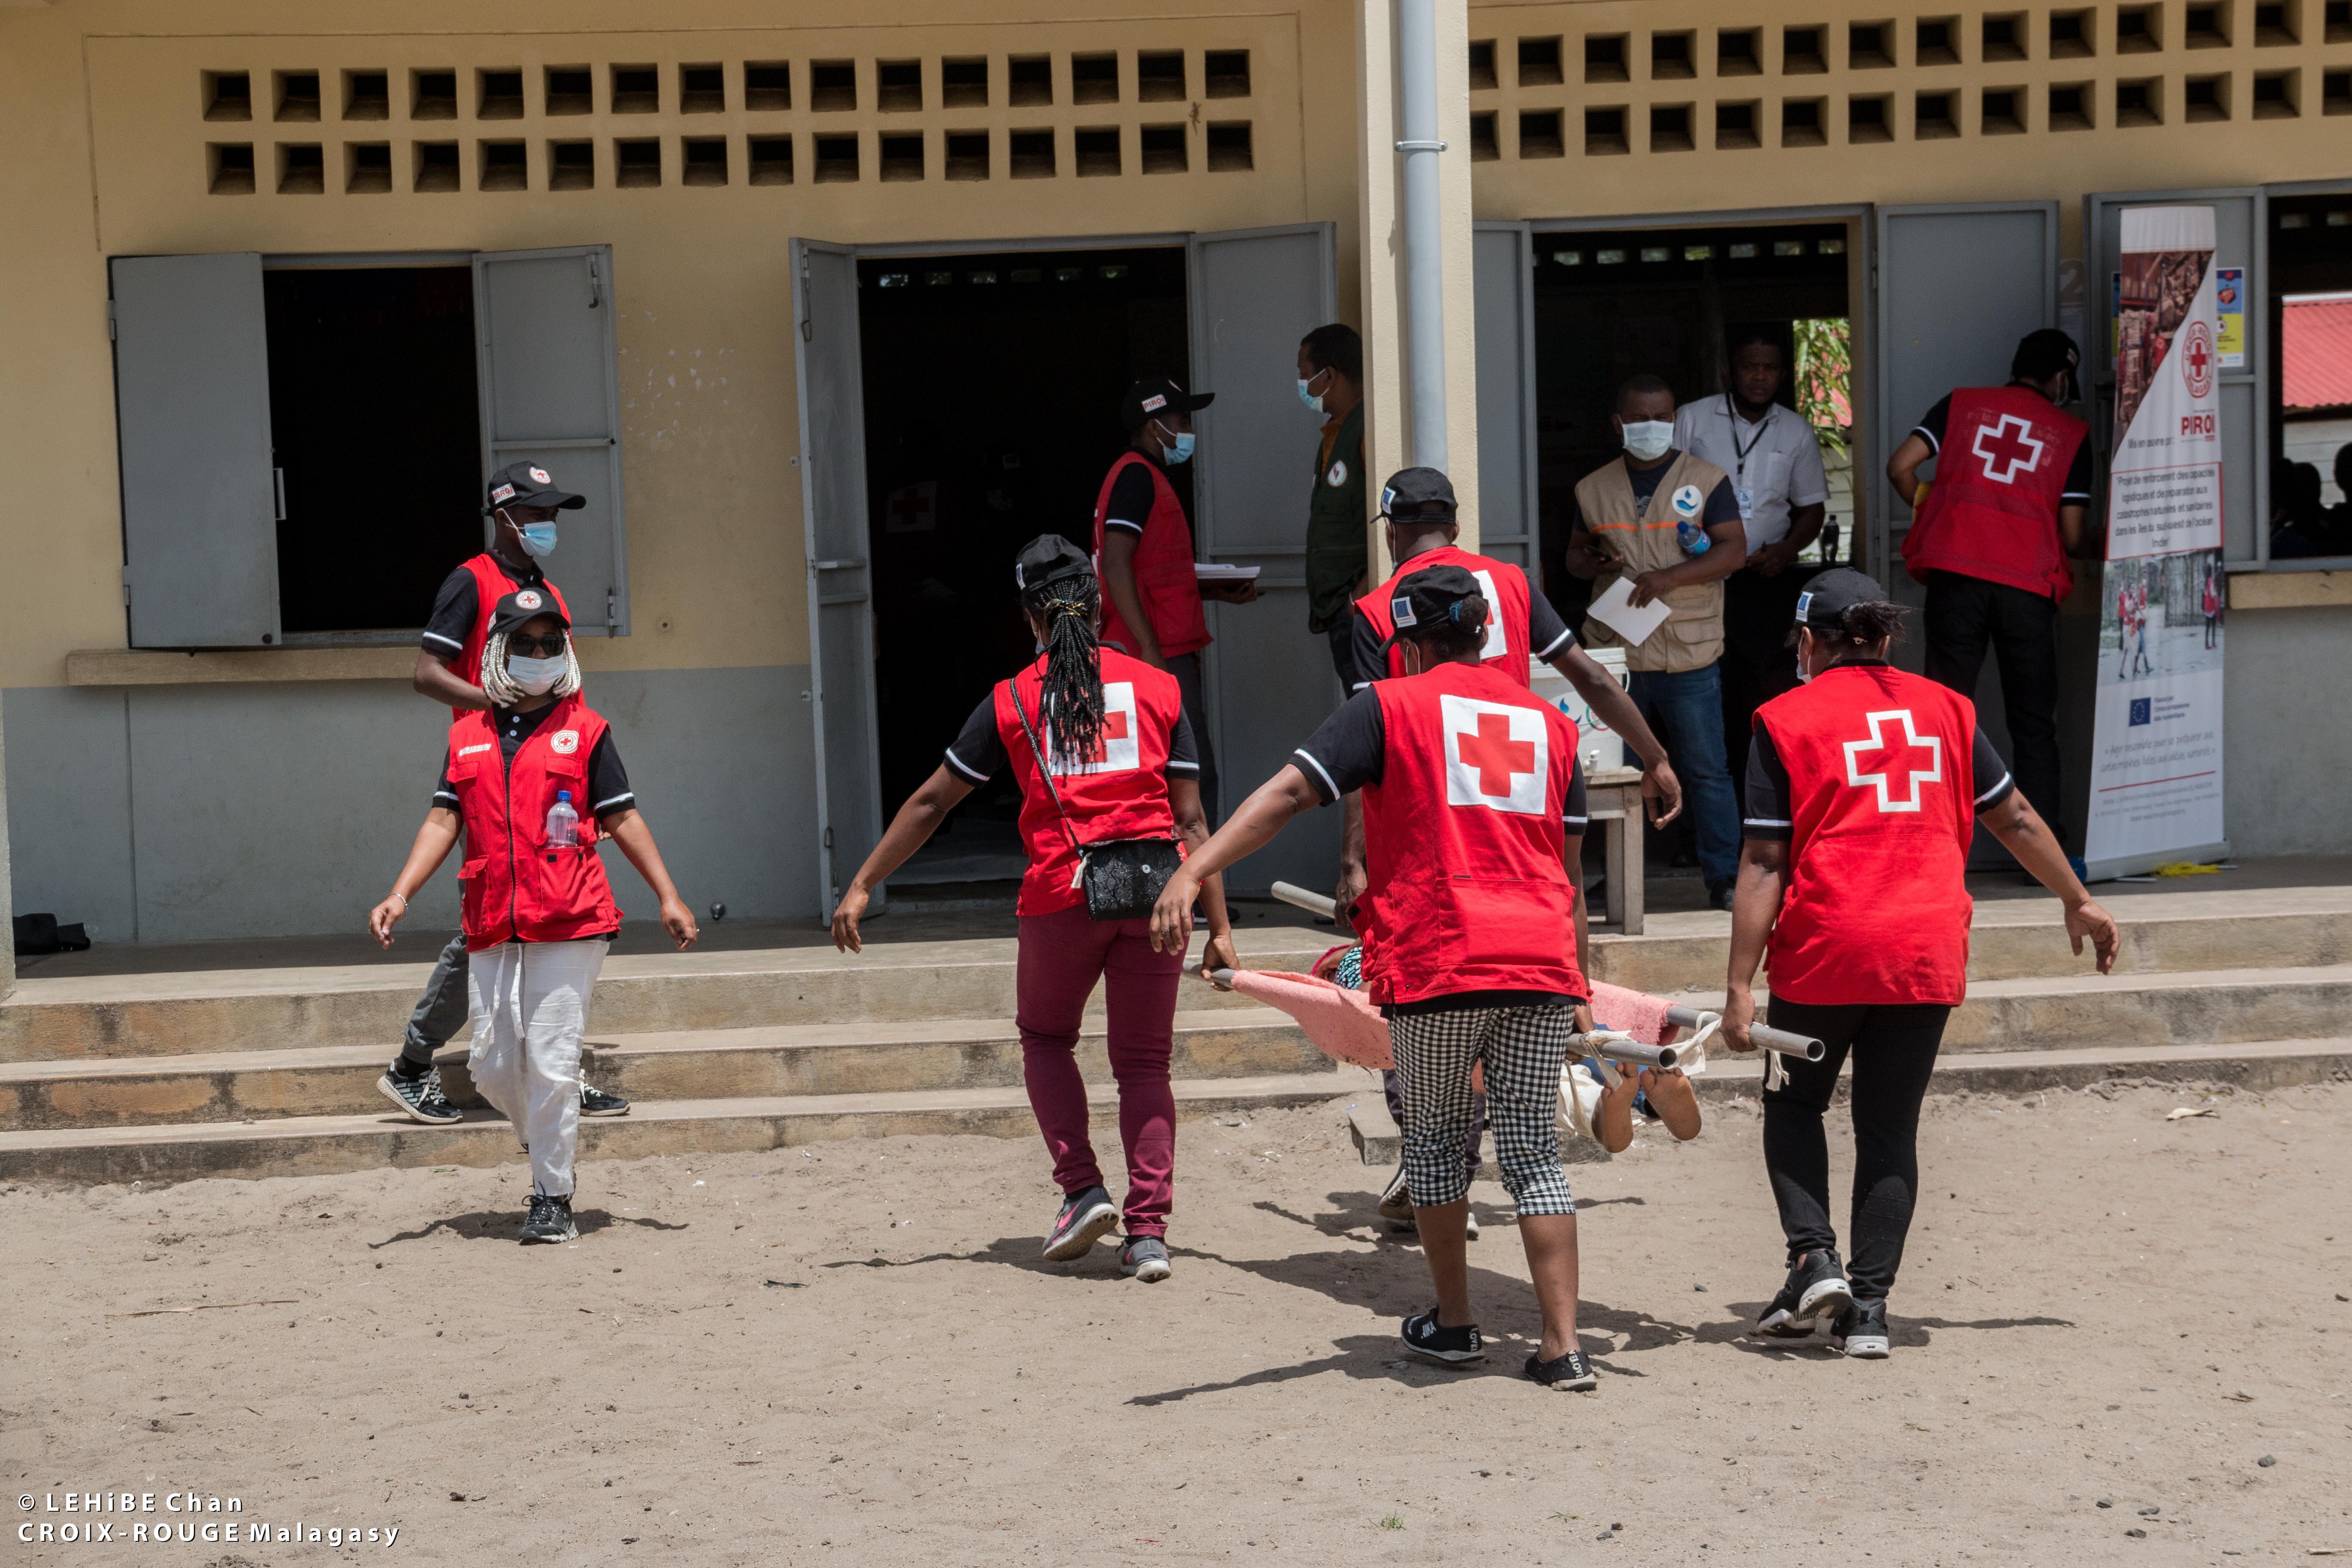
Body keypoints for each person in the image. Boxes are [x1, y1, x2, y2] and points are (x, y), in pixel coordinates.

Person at [1152, 564, 1602, 1392]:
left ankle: (1457, 1325)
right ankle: (1561, 1347)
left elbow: (1287, 794)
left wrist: (1192, 871)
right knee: (1535, 1152)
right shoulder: (1552, 724)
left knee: (1433, 1142)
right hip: (1540, 961)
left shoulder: (1388, 708)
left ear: (1412, 643)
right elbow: (1567, 868)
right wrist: (1577, 981)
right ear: (1481, 633)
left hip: (1441, 961)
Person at [1722, 569, 2119, 1357]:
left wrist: (1738, 981)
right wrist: (2076, 898)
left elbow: (1765, 861)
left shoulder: (1783, 717)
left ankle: (1814, 1256)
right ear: (1884, 635)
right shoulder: (1949, 709)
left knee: (1794, 1105)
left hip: (1826, 949)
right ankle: (1867, 1310)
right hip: (1923, 950)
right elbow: (2013, 816)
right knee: (1888, 1126)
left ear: (1809, 640)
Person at [830, 535, 1237, 1283]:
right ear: (1099, 602)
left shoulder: (1013, 697)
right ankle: (1148, 1234)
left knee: (1046, 1039)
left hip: (1063, 893)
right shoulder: (1159, 689)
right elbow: (1191, 822)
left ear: (1030, 616)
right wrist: (1219, 928)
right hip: (1157, 895)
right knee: (1144, 1063)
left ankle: (1082, 1189)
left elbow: (931, 801)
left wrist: (863, 881)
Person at [368, 591, 701, 1243]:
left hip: (571, 917)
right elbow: (445, 819)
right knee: (492, 1063)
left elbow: (622, 817)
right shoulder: (466, 736)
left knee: (551, 1061)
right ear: (500, 651)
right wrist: (401, 891)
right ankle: (546, 1140)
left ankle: (553, 1195)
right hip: (493, 917)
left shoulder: (590, 731)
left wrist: (668, 894)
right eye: (527, 644)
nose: (540, 655)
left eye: (552, 644)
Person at [380, 462, 633, 1127]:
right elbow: (426, 673)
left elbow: (564, 687)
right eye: (539, 513)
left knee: (553, 918)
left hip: (553, 773)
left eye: (555, 515)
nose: (549, 525)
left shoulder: (545, 590)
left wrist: (580, 790)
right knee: (494, 919)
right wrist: (495, 703)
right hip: (487, 766)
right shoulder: (472, 581)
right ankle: (412, 1063)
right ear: (505, 515)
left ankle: (558, 1074)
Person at [1887, 328, 2092, 851]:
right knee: (2034, 724)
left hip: (1957, 580)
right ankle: (2047, 851)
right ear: (2062, 376)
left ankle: (1939, 846)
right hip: (2027, 590)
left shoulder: (1961, 405)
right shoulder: (2070, 433)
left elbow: (1900, 466)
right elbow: (2071, 535)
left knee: (1947, 716)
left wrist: (1934, 516)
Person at [1562, 376, 1749, 910]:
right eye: (1642, 419)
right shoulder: (1592, 487)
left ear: (1675, 421)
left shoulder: (1706, 479)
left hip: (1688, 652)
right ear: (1619, 423)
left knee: (1706, 768)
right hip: (1615, 658)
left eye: (1663, 418)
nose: (1654, 427)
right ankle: (1592, 878)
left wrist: (1668, 577)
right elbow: (1575, 557)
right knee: (1600, 773)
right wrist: (1592, 562)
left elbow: (1734, 552)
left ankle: (1723, 878)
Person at [1672, 328, 1833, 805]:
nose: (1759, 377)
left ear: (1782, 375)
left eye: (1769, 369)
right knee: (1700, 702)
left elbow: (1812, 510)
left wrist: (1786, 549)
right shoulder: (1693, 420)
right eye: (1749, 366)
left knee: (1762, 699)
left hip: (1764, 582)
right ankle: (1694, 825)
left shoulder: (1796, 431)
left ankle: (1759, 811)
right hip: (1696, 579)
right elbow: (1665, 493)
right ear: (1730, 370)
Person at [1092, 377, 1259, 819]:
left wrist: (1220, 594)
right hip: (1152, 653)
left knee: (1173, 767)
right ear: (1153, 426)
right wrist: (1149, 650)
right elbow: (1115, 563)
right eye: (1181, 419)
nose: (1188, 428)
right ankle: (1198, 879)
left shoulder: (1143, 476)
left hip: (1159, 647)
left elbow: (1153, 571)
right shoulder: (1136, 478)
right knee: (1188, 769)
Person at [1298, 324, 1370, 688]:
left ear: (1328, 376)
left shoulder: (1366, 431)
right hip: (1340, 609)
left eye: (1304, 376)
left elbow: (1387, 518)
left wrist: (1359, 597)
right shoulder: (1335, 434)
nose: (1302, 387)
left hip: (1358, 609)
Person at [2203, 567, 2221, 650]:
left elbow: (2205, 593)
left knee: (2207, 626)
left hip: (2206, 606)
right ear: (2211, 571)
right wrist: (2216, 593)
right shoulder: (2211, 581)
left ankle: (2206, 644)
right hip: (2211, 606)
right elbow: (2213, 595)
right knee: (2213, 625)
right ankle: (2213, 643)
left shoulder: (2205, 581)